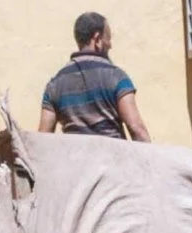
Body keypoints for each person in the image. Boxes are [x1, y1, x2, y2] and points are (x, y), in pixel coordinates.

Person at [38, 9, 149, 138]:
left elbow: (43, 137)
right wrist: (152, 157)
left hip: (72, 156)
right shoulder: (117, 77)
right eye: (108, 38)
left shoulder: (55, 84)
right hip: (113, 156)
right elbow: (136, 128)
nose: (110, 45)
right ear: (97, 39)